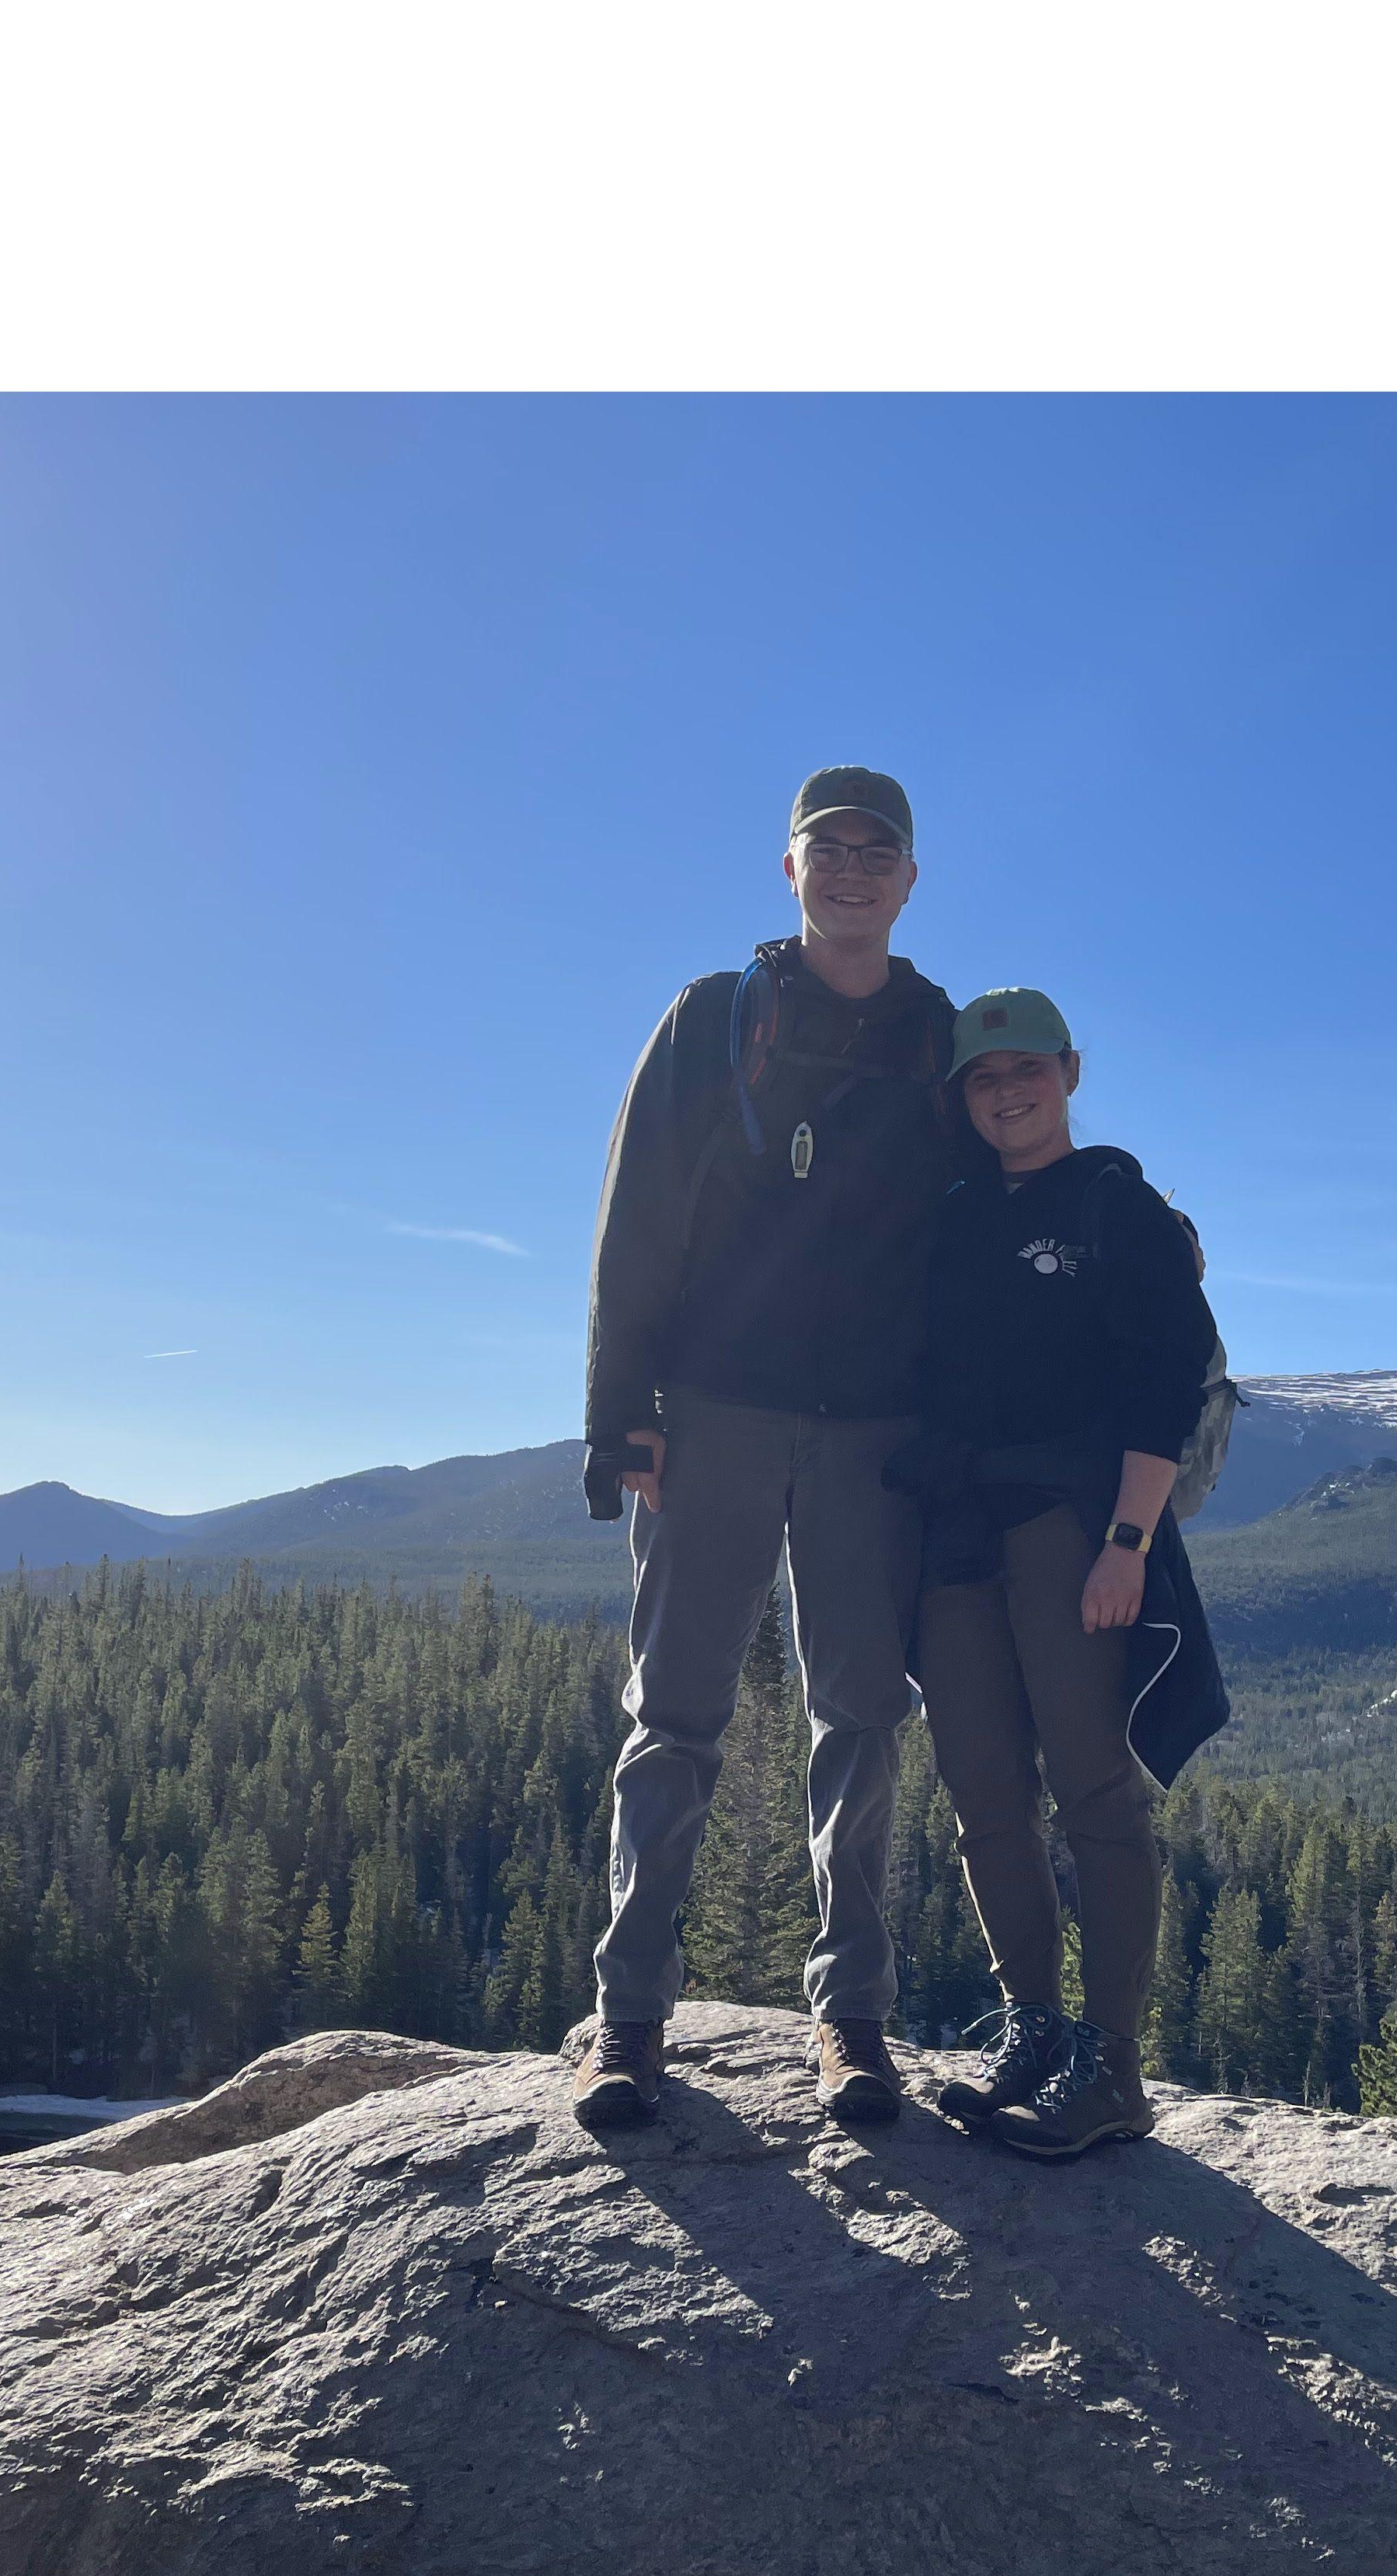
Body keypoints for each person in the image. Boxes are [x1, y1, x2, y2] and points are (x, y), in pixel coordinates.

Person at [573, 768, 967, 2132]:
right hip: (713, 1415)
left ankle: (852, 2020)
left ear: (910, 879)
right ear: (789, 868)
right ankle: (629, 2021)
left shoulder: (941, 1038)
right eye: (828, 847)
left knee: (862, 1717)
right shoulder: (714, 1018)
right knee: (674, 1716)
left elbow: (984, 1219)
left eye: (878, 849)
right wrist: (619, 1412)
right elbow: (635, 1217)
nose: (852, 867)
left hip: (873, 1432)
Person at [898, 988, 1229, 2160]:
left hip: (1074, 1529)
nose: (1008, 1093)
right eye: (984, 1079)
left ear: (1070, 1074)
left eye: (1027, 1071)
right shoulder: (950, 1216)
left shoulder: (1116, 1208)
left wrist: (1126, 1546)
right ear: (962, 1096)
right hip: (956, 1532)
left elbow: (1164, 1383)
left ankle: (1114, 2069)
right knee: (984, 1789)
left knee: (1094, 1789)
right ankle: (1033, 2031)